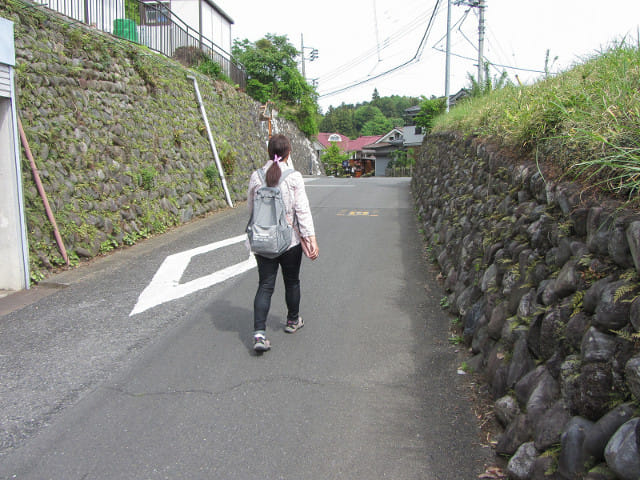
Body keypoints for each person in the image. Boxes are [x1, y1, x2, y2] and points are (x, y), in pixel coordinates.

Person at [247, 134, 319, 352]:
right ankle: (292, 320)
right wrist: (311, 238)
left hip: (263, 240)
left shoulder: (256, 176)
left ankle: (259, 335)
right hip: (290, 241)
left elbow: (251, 210)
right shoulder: (294, 177)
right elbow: (302, 211)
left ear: (269, 152)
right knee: (292, 281)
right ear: (289, 153)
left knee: (265, 286)